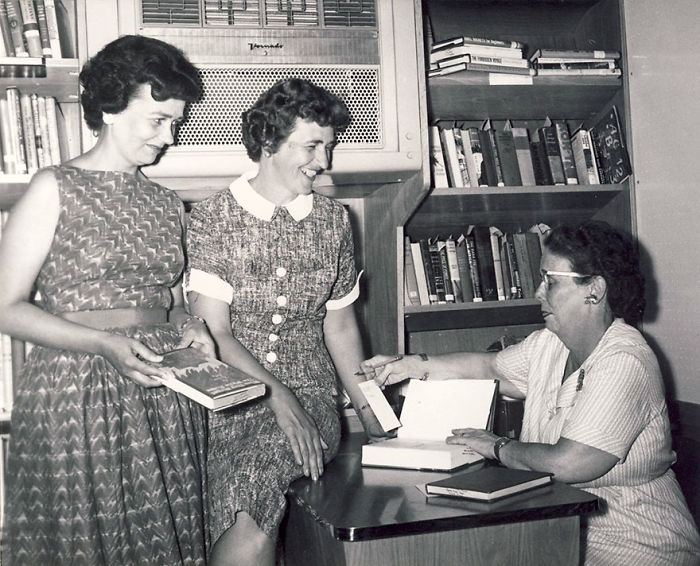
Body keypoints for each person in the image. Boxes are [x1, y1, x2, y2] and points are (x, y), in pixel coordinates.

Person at [361, 221, 700, 565]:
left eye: (550, 280)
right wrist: (408, 365)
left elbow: (570, 463)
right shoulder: (549, 344)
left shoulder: (625, 360)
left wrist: (497, 446)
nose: (538, 291)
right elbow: (489, 368)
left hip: (636, 545)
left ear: (594, 290)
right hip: (560, 535)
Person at [0, 35, 215, 565]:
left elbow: (167, 296)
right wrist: (102, 344)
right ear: (113, 108)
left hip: (161, 389)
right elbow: (5, 306)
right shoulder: (55, 186)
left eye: (175, 123)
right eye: (158, 120)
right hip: (77, 388)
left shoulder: (167, 203)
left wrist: (193, 326)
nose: (170, 137)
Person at [185, 77, 384, 566]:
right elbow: (217, 332)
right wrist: (277, 396)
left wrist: (376, 415)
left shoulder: (334, 221)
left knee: (254, 480)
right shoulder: (213, 219)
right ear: (269, 142)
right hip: (225, 400)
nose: (324, 162)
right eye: (312, 146)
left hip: (310, 400)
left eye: (329, 147)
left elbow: (339, 329)